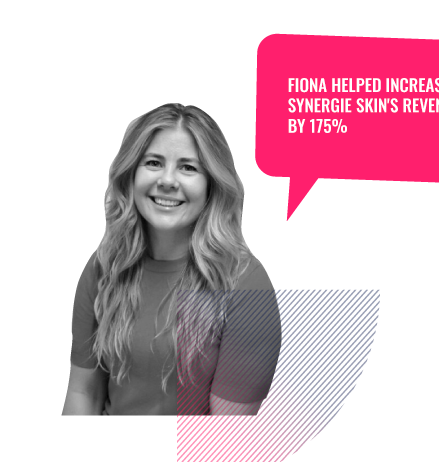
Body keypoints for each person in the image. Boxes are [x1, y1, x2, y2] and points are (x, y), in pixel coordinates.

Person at [62, 103, 282, 416]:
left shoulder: (246, 284)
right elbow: (83, 393)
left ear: (211, 184)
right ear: (131, 174)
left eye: (188, 167)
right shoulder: (105, 266)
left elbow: (226, 436)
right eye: (153, 162)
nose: (167, 180)